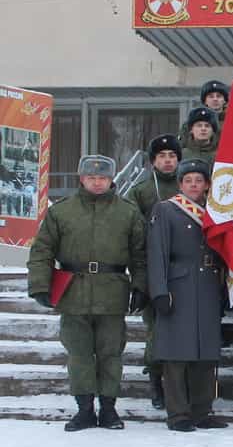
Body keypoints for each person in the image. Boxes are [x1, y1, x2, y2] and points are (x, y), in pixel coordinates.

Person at [27, 155, 147, 431]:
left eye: (102, 177)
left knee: (110, 354)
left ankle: (108, 409)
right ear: (81, 179)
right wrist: (40, 285)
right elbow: (42, 250)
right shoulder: (62, 211)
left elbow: (140, 255)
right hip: (73, 292)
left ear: (111, 179)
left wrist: (141, 287)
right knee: (78, 353)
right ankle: (84, 409)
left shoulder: (127, 212)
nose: (97, 182)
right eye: (91, 177)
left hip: (112, 293)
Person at [146, 158, 227, 432]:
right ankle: (178, 414)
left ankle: (202, 411)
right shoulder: (166, 209)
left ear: (207, 185)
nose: (194, 185)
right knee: (176, 355)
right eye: (188, 180)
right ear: (180, 184)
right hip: (178, 286)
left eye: (199, 180)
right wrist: (159, 291)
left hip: (208, 285)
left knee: (205, 353)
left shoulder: (216, 212)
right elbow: (157, 252)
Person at [127, 135, 182, 409]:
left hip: (186, 269)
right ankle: (156, 382)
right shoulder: (141, 191)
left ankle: (181, 385)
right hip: (154, 269)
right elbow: (132, 235)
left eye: (172, 155)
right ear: (152, 161)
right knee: (156, 330)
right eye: (162, 156)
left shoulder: (192, 186)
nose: (168, 160)